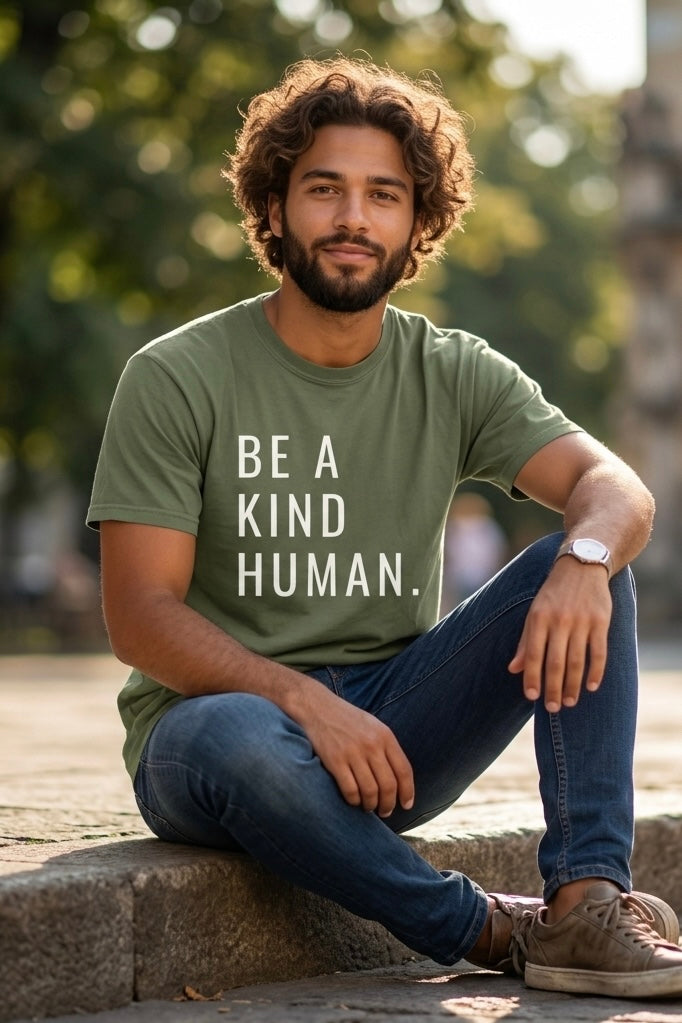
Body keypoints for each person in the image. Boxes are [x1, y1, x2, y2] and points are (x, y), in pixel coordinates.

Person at [87, 57, 682, 999]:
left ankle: (585, 902)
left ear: (418, 223)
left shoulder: (451, 369)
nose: (353, 219)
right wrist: (302, 701)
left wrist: (583, 558)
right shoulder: (177, 375)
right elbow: (139, 616)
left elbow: (615, 486)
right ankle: (484, 927)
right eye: (325, 189)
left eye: (384, 195)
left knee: (594, 562)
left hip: (393, 732)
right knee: (244, 732)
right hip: (209, 736)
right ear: (275, 207)